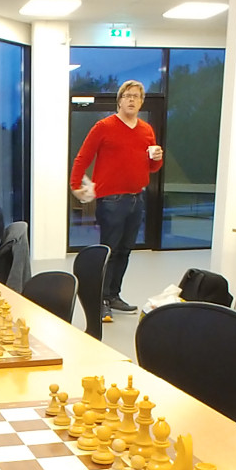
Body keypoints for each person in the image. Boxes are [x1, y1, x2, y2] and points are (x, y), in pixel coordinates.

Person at [69, 79, 163, 320]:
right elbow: (83, 156)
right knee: (109, 251)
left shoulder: (146, 130)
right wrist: (75, 184)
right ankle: (99, 300)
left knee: (125, 251)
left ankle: (113, 295)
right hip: (111, 200)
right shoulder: (104, 126)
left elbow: (152, 168)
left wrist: (157, 158)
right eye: (127, 95)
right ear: (119, 100)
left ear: (141, 102)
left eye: (136, 96)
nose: (132, 100)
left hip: (136, 199)